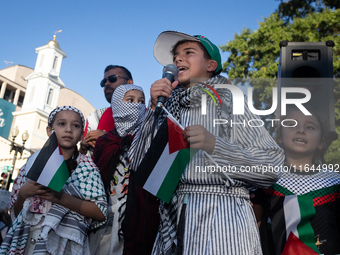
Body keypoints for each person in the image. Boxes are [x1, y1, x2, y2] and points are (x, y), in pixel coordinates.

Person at [129, 31, 285, 254]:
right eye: (175, 56)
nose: (178, 59)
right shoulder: (168, 106)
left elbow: (271, 166)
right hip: (173, 217)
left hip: (222, 215)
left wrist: (215, 145)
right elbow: (137, 164)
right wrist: (153, 109)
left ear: (211, 65)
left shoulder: (229, 98)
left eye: (188, 53)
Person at [0, 106, 107, 255]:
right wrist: (23, 194)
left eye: (75, 125)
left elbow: (101, 212)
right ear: (49, 131)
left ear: (82, 134)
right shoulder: (32, 164)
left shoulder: (87, 168)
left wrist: (62, 198)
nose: (68, 129)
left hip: (65, 247)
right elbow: (17, 215)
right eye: (62, 124)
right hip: (27, 245)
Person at [252, 106, 340, 255]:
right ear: (279, 137)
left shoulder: (334, 183)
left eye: (310, 127)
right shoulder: (265, 181)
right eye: (292, 124)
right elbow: (252, 226)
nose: (301, 130)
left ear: (321, 143)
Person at [88, 85, 145, 254]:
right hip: (102, 222)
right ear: (118, 105)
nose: (136, 105)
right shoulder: (104, 141)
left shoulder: (146, 140)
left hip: (134, 220)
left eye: (142, 102)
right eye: (130, 100)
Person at [80, 65, 134, 156]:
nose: (106, 84)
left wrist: (108, 139)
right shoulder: (95, 117)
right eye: (104, 81)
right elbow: (83, 157)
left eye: (112, 78)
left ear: (129, 83)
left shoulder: (147, 115)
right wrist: (83, 147)